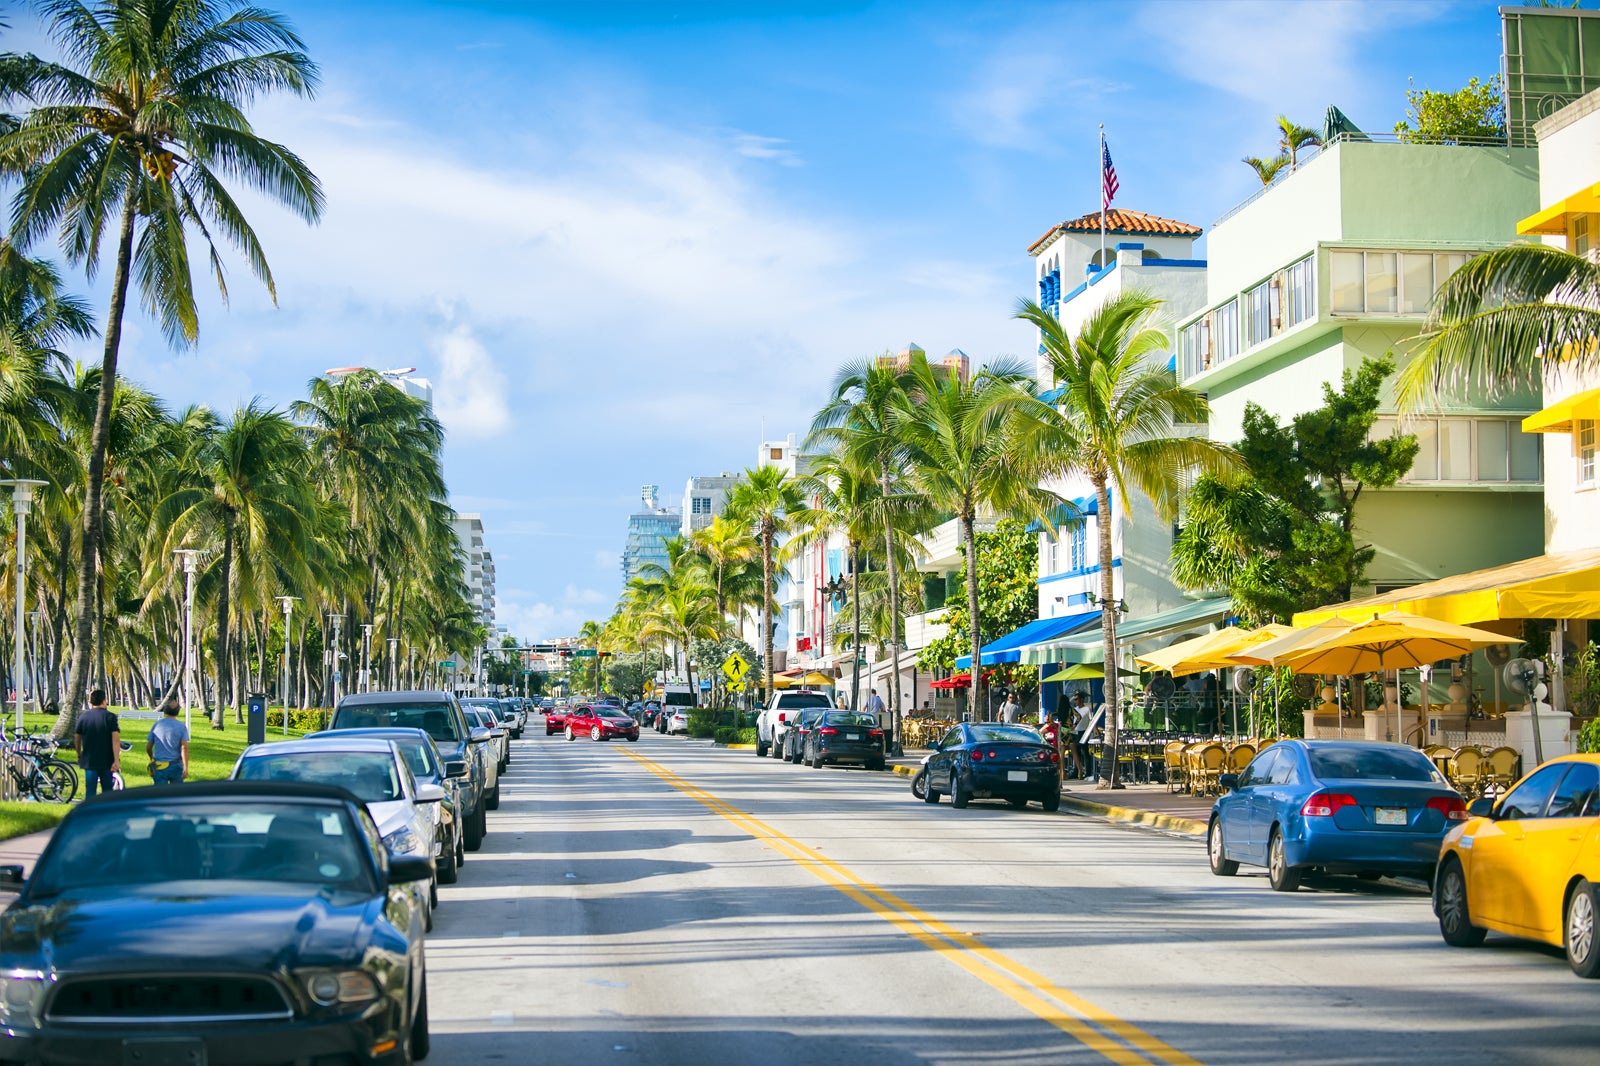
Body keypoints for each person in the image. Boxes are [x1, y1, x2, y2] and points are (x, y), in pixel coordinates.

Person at [73, 689, 121, 798]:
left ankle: (90, 813)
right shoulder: (110, 717)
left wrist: (79, 754)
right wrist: (116, 760)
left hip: (90, 760)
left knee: (90, 791)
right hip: (107, 760)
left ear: (91, 702)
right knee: (107, 792)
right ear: (104, 701)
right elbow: (115, 739)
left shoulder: (84, 717)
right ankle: (106, 814)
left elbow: (77, 738)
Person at [146, 696, 190, 785]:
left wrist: (151, 757)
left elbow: (148, 747)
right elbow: (184, 748)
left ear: (165, 711)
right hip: (176, 766)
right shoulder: (181, 727)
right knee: (176, 795)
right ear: (177, 712)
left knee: (160, 795)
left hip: (159, 766)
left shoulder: (157, 725)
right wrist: (185, 767)